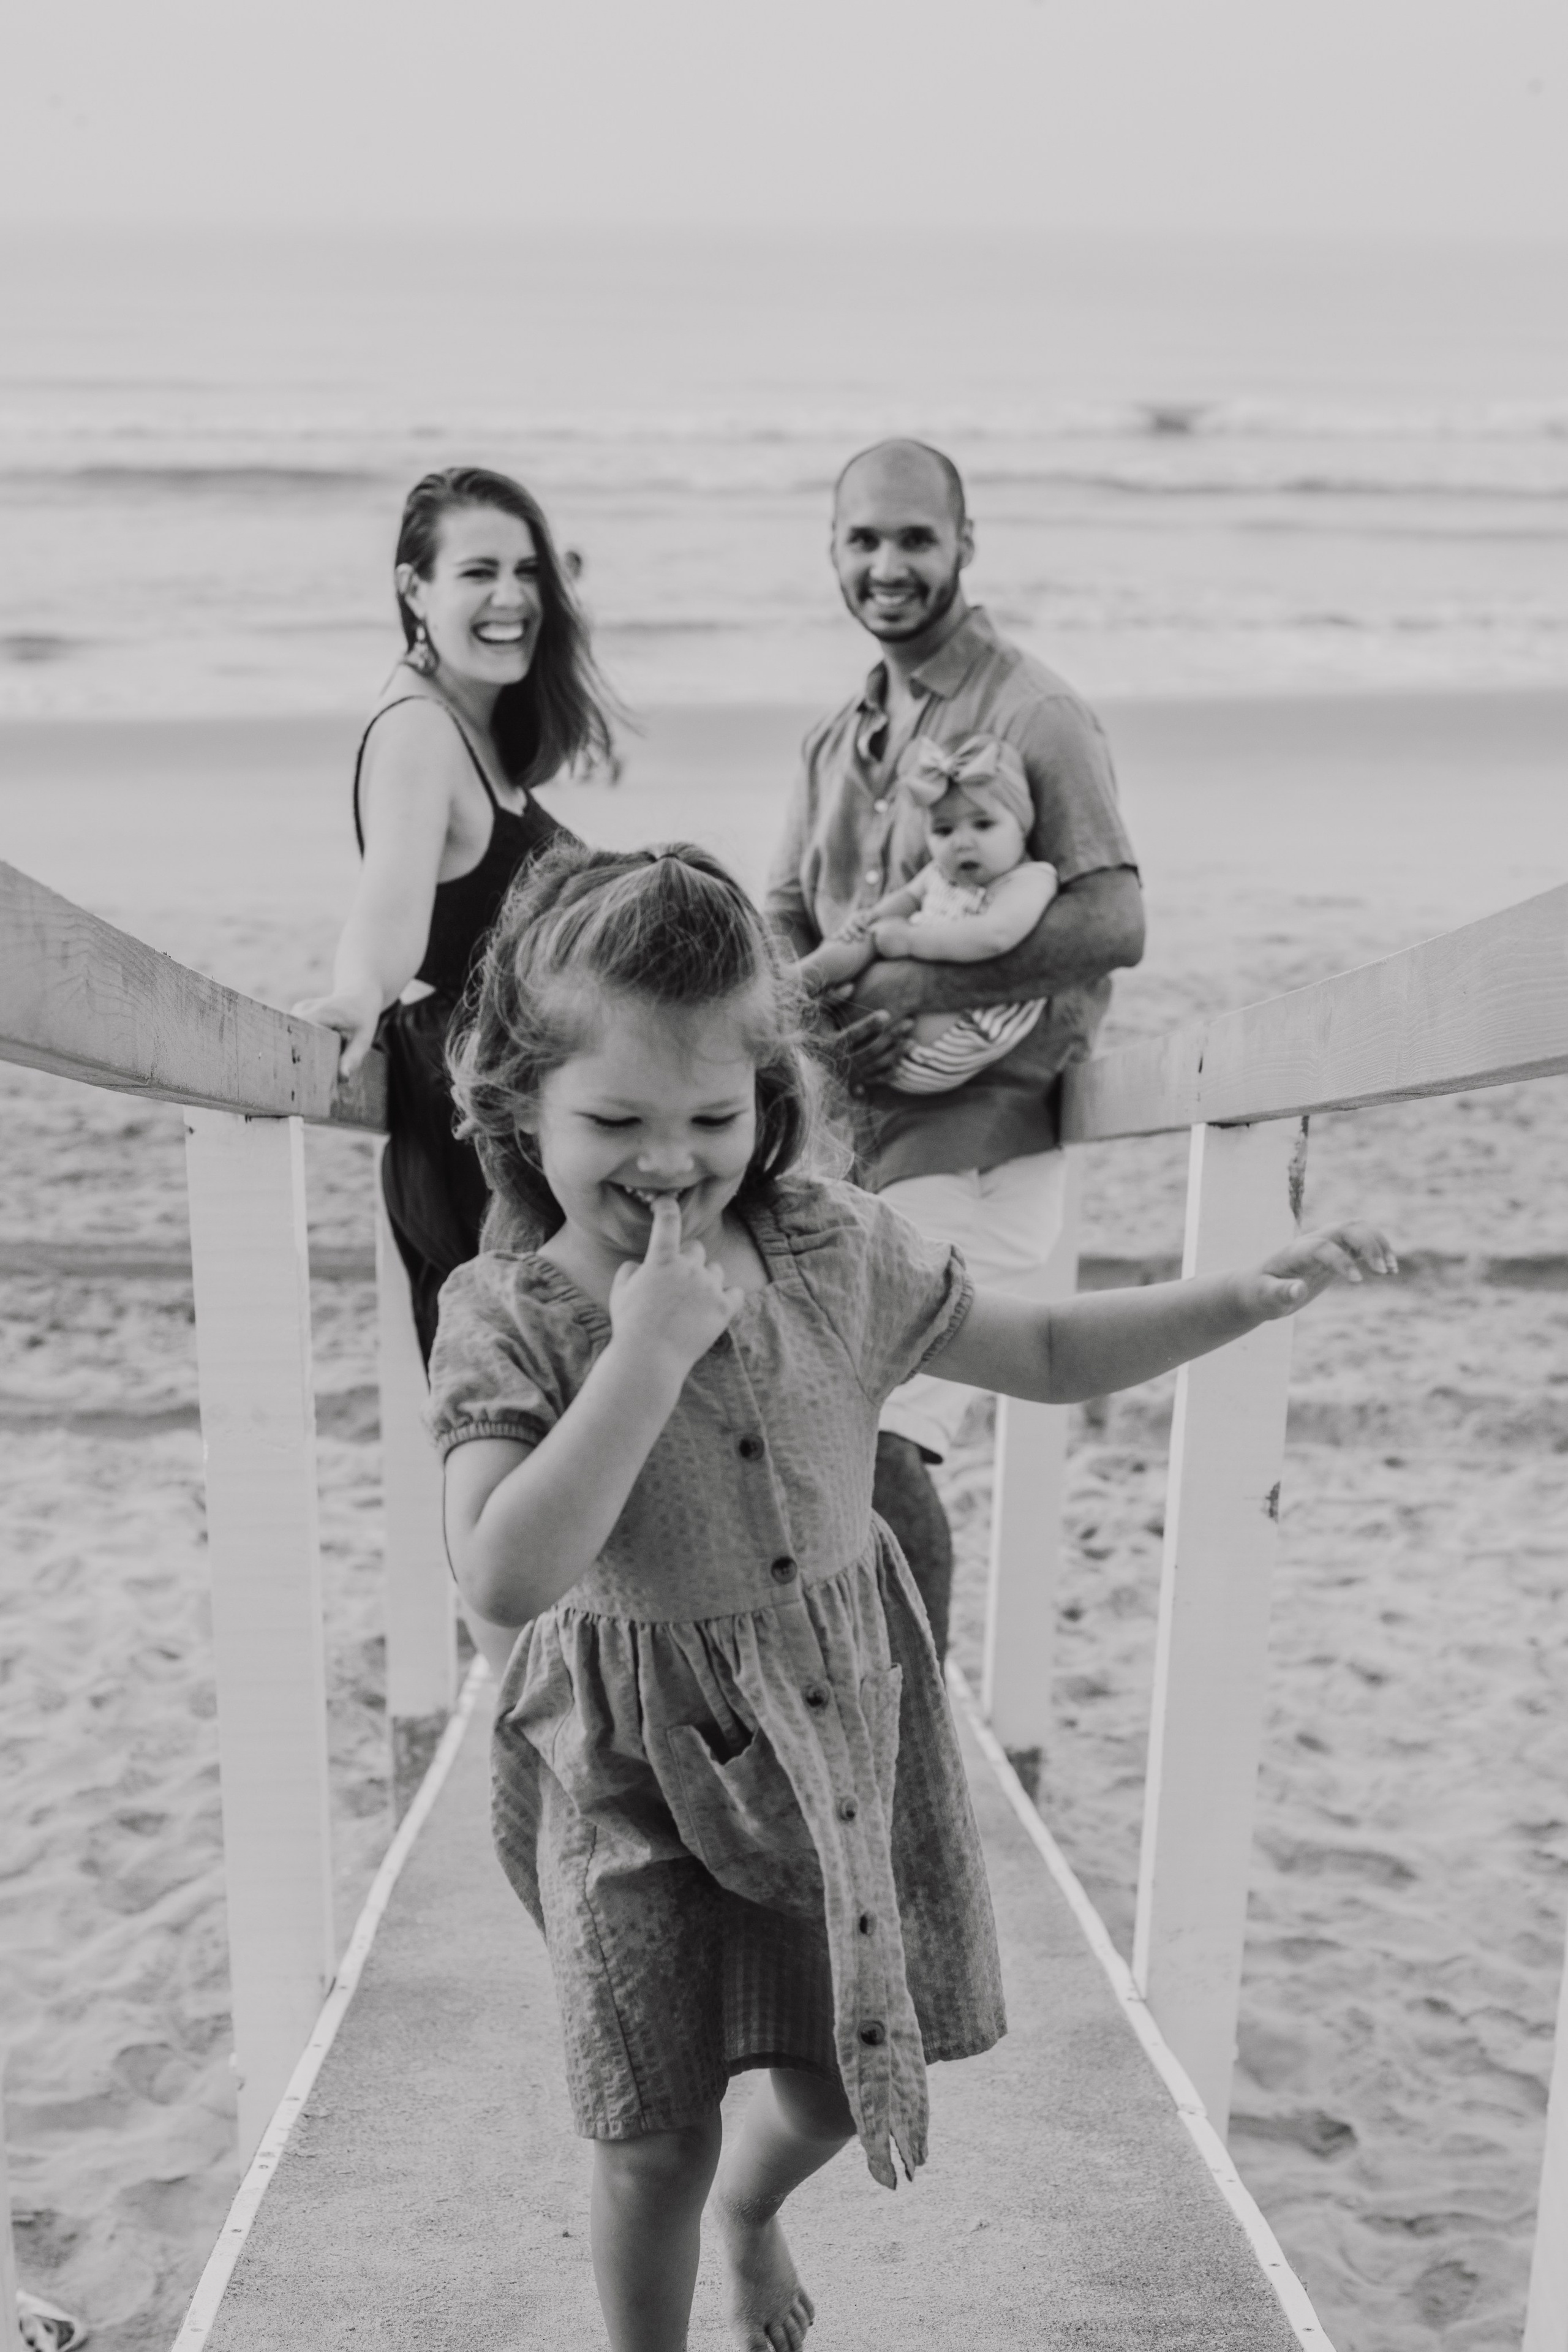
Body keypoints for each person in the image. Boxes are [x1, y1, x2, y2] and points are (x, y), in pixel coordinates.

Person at [427, 840, 1395, 2352]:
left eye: (711, 1116)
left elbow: (1050, 1354)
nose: (670, 1162)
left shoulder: (831, 1252)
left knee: (825, 2080)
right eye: (613, 1119)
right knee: (647, 2128)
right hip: (626, 1770)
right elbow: (499, 1567)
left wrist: (1235, 1294)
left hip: (828, 1735)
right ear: (519, 1109)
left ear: (772, 1101)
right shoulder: (509, 1316)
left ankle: (753, 2216)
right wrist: (648, 1350)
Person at [767, 439, 1145, 1661]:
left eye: (913, 539)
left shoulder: (1032, 713)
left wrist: (916, 982)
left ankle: (912, 1728)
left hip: (985, 1136)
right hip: (853, 1139)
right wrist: (812, 1015)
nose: (887, 565)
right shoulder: (834, 742)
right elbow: (781, 918)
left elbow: (1113, 919)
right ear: (831, 554)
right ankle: (850, 1702)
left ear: (963, 547)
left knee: (873, 1423)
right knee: (797, 1416)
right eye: (861, 540)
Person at [294, 466, 616, 1360]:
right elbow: (391, 906)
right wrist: (357, 993)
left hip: (512, 1106)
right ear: (414, 588)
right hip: (473, 1122)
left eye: (527, 571)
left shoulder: (472, 726)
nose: (512, 597)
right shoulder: (417, 732)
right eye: (478, 572)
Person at [796, 733, 1057, 1093]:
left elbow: (995, 936)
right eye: (943, 830)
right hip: (885, 1047)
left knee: (884, 936)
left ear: (1022, 825)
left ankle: (796, 987)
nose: (962, 841)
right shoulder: (940, 872)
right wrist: (870, 918)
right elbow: (904, 898)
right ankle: (795, 982)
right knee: (870, 931)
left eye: (983, 824)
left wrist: (909, 940)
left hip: (954, 1039)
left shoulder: (1029, 880)